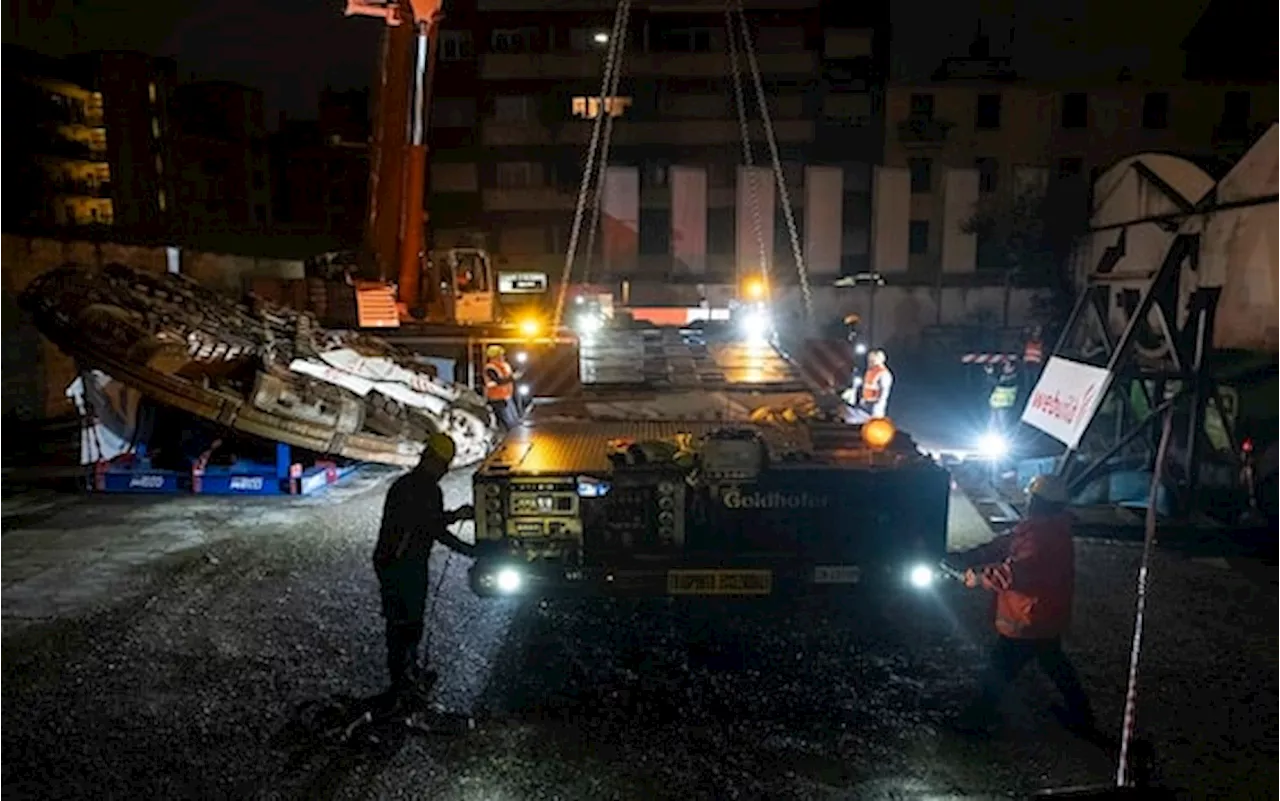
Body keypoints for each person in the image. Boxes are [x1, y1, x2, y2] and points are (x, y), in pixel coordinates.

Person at [950, 474, 1095, 736]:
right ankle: (1082, 718)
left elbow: (1016, 574)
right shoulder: (1047, 528)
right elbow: (1007, 543)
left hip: (1030, 617)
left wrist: (979, 577)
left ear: (1038, 501)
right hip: (1045, 615)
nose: (1028, 501)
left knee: (1000, 667)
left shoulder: (1042, 536)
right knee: (1055, 664)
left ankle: (976, 719)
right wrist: (972, 555)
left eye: (1031, 497)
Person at [373, 432, 475, 700]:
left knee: (408, 623)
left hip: (397, 561)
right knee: (402, 625)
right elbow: (434, 528)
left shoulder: (407, 484)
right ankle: (400, 683)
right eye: (443, 466)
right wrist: (470, 551)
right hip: (401, 565)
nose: (444, 471)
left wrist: (457, 515)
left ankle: (408, 673)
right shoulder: (425, 488)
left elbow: (429, 521)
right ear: (433, 461)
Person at [483, 344, 518, 429]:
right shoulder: (490, 368)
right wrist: (512, 378)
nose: (502, 356)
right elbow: (498, 381)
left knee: (515, 421)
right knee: (507, 422)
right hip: (497, 399)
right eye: (500, 355)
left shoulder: (505, 365)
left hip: (507, 397)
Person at [988, 359, 1019, 436]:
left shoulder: (1012, 378)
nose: (1004, 368)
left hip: (1004, 407)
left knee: (1004, 430)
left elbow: (1000, 383)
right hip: (995, 406)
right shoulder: (1003, 377)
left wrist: (991, 373)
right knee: (992, 429)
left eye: (1007, 366)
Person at [861, 349, 893, 419]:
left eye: (873, 359)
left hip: (875, 407)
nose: (870, 361)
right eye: (869, 359)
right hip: (866, 405)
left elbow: (883, 393)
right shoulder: (871, 371)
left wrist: (876, 404)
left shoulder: (884, 374)